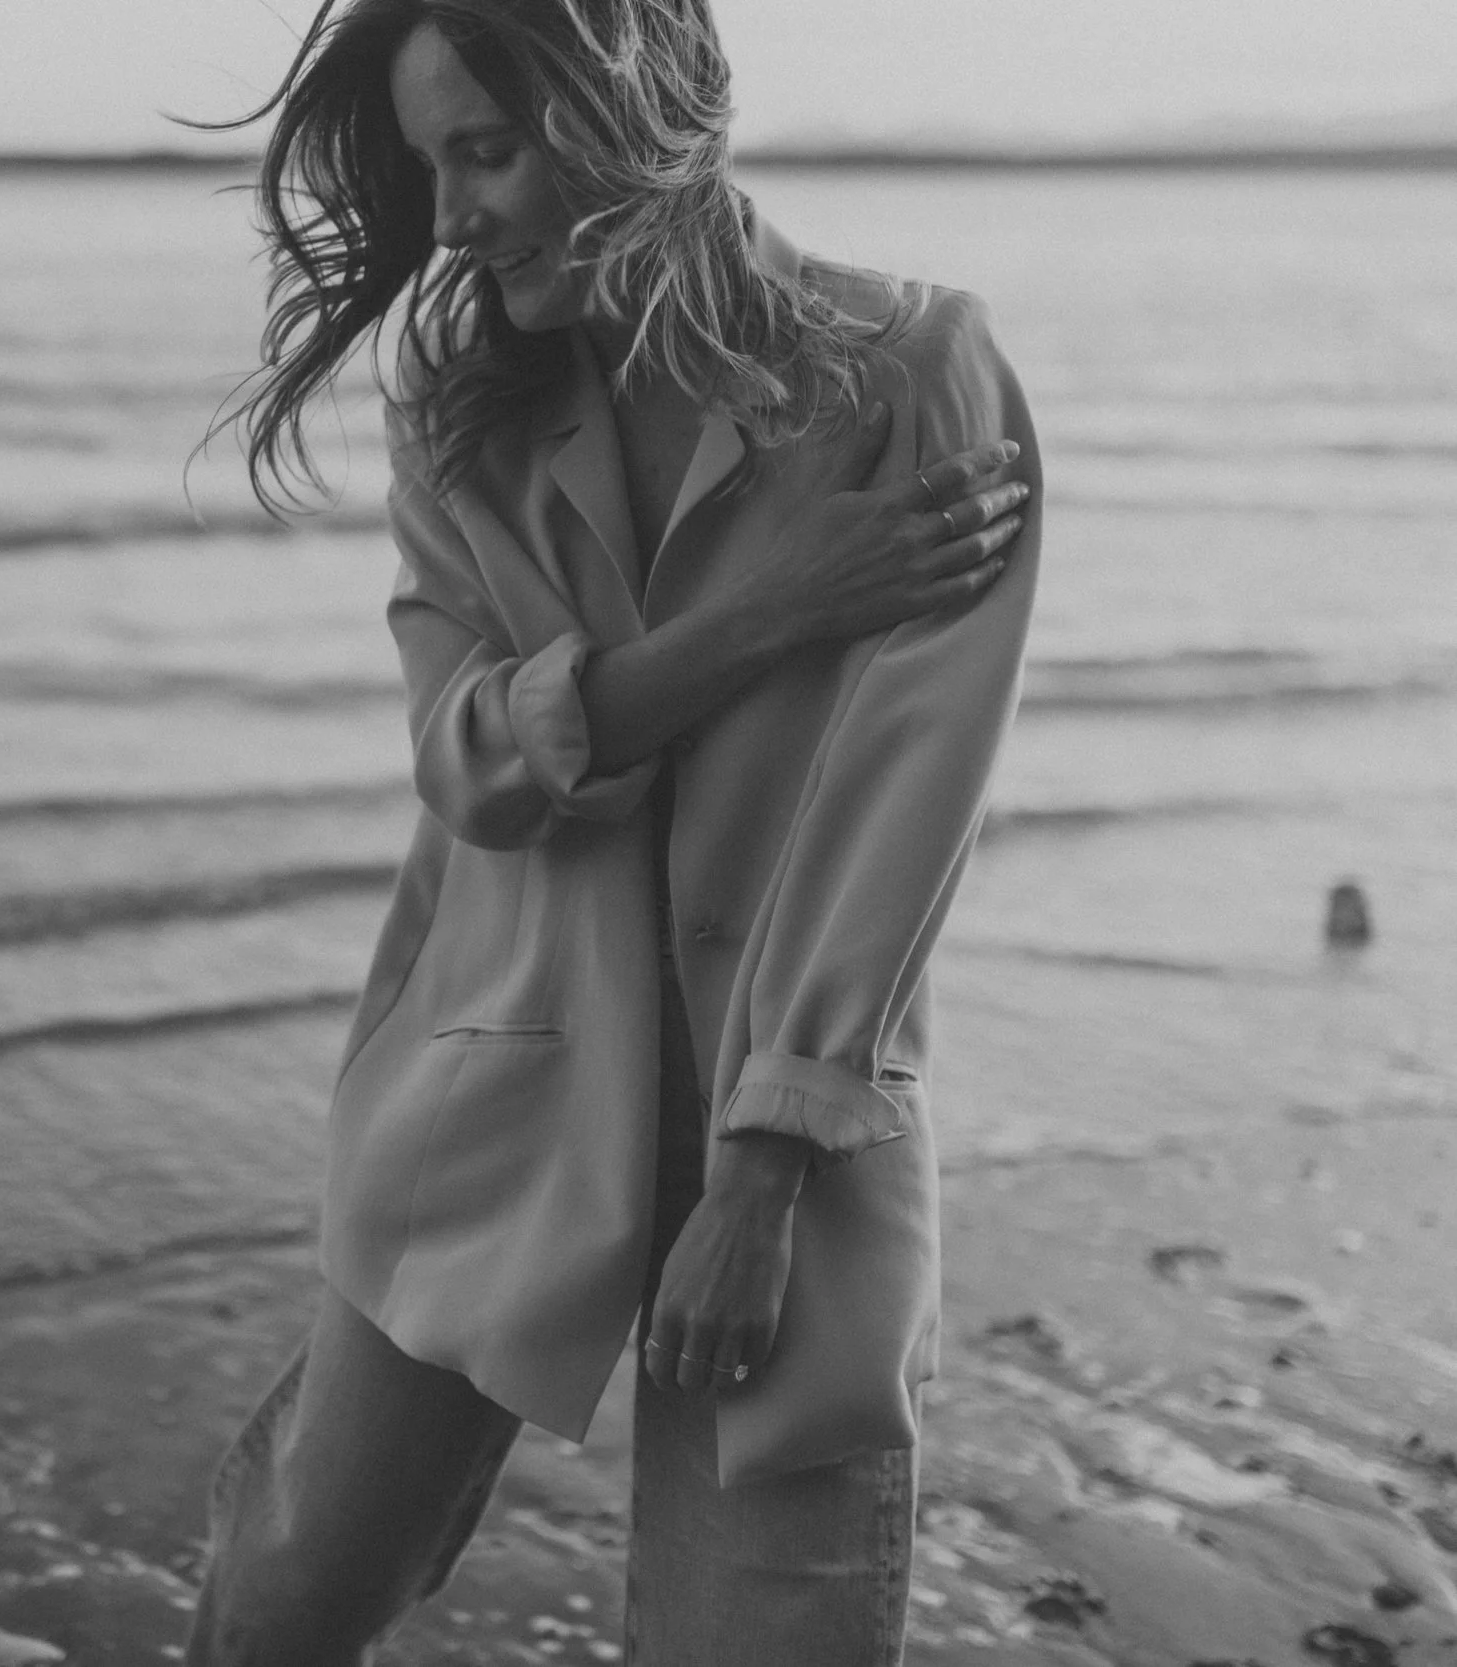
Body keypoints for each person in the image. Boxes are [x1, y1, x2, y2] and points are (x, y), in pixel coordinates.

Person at [181, 1, 1041, 1662]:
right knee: (284, 1602)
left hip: (791, 1115)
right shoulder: (460, 399)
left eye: (486, 152)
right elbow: (469, 763)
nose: (449, 218)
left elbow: (905, 806)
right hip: (488, 1075)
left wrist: (766, 1168)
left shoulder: (920, 377)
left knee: (770, 1638)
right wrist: (767, 616)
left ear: (627, 116)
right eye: (433, 163)